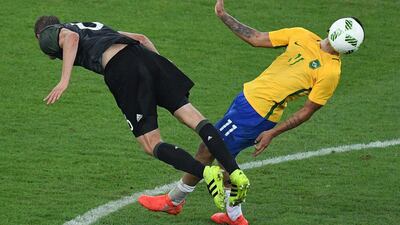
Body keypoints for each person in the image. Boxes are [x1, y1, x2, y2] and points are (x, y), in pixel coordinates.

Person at [138, 0, 365, 224]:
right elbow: (256, 38)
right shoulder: (302, 35)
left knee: (207, 148)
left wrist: (272, 133)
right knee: (226, 160)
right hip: (246, 102)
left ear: (333, 27)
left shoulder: (330, 72)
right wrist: (223, 15)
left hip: (256, 116)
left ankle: (174, 201)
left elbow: (307, 111)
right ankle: (234, 216)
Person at [34, 15, 251, 211]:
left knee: (150, 143)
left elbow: (69, 38)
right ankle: (235, 173)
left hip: (124, 69)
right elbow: (141, 37)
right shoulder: (94, 27)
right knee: (194, 118)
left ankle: (207, 173)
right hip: (148, 59)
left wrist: (64, 81)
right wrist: (162, 64)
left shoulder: (48, 33)